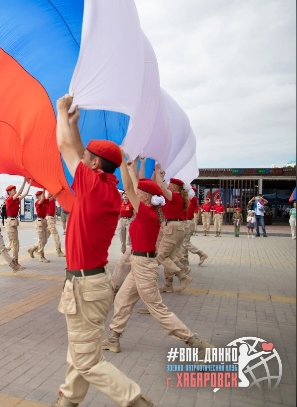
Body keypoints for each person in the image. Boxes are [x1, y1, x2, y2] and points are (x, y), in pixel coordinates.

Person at [52, 94, 153, 407]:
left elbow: (65, 148)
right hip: (93, 283)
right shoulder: (106, 186)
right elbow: (79, 151)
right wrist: (74, 124)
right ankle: (67, 401)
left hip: (84, 286)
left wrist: (60, 114)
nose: (82, 160)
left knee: (87, 361)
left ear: (94, 164)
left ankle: (135, 401)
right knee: (82, 351)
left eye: (88, 158)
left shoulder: (92, 185)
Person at [101, 157, 214, 362]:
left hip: (143, 265)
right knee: (123, 299)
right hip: (139, 263)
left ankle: (195, 342)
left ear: (145, 196)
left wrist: (124, 165)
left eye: (139, 192)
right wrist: (133, 167)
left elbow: (128, 185)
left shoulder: (146, 212)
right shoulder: (151, 210)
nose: (135, 193)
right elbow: (135, 184)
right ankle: (113, 338)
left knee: (158, 309)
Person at [154, 167, 193, 293]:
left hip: (173, 227)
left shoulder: (175, 196)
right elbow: (162, 185)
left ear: (175, 187)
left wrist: (156, 170)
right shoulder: (176, 196)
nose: (168, 185)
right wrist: (161, 176)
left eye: (170, 184)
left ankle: (183, 276)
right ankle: (169, 283)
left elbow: (161, 186)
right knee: (168, 256)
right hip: (175, 227)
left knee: (161, 256)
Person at [0, 177, 31, 265]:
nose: (15, 191)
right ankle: (15, 262)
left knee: (13, 243)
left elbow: (25, 194)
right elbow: (20, 193)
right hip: (10, 222)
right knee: (15, 243)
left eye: (15, 190)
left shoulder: (16, 199)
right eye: (13, 190)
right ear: (9, 192)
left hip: (14, 221)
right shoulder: (9, 199)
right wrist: (24, 181)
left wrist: (29, 184)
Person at [178, 187, 208, 268]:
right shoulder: (189, 199)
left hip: (188, 222)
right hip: (185, 222)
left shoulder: (193, 198)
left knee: (185, 242)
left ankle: (201, 254)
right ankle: (184, 261)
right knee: (183, 243)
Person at [28, 190, 50, 263]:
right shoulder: (37, 203)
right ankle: (41, 256)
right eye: (40, 195)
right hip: (39, 221)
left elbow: (52, 198)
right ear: (37, 197)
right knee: (41, 240)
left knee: (45, 240)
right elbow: (42, 200)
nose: (42, 196)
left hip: (44, 221)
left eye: (42, 195)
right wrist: (44, 188)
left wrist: (60, 191)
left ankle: (32, 249)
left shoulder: (45, 202)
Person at [46, 190, 66, 257]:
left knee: (45, 237)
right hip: (49, 218)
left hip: (52, 218)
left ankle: (34, 248)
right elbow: (55, 195)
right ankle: (59, 251)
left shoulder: (53, 200)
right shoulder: (48, 199)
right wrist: (60, 190)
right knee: (55, 235)